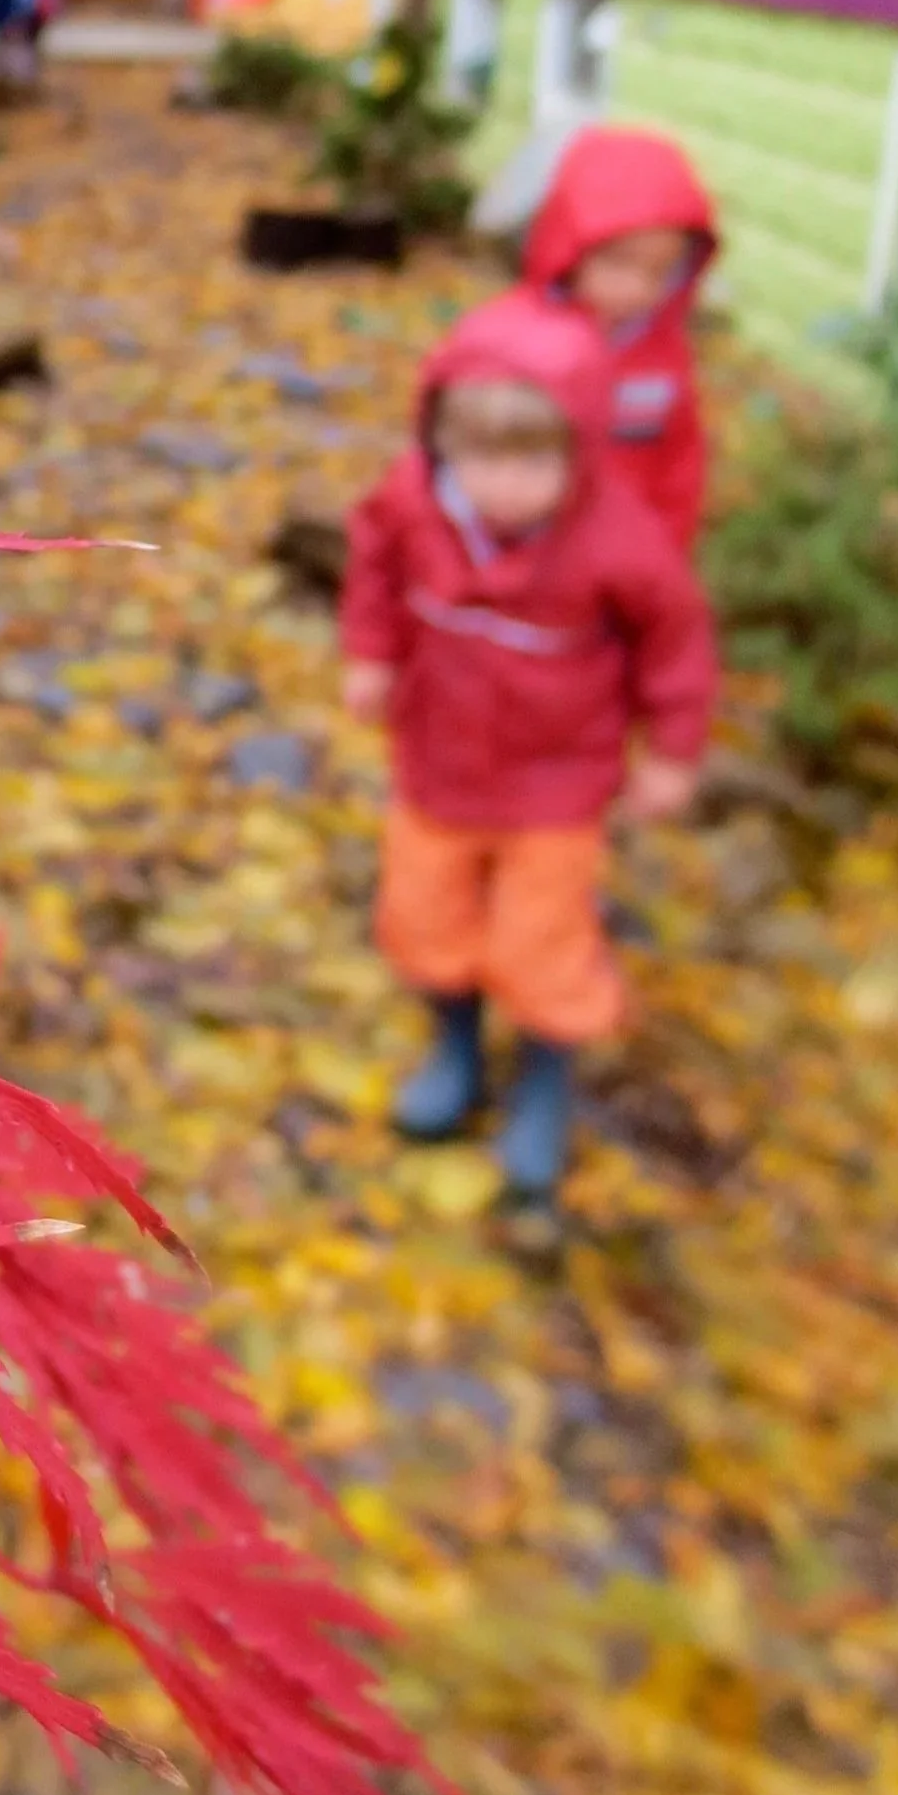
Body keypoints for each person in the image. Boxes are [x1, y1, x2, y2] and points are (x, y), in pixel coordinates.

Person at [339, 295, 716, 1213]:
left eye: (534, 461)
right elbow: (374, 567)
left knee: (541, 937)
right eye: (483, 459)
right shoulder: (413, 501)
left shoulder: (615, 539)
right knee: (426, 910)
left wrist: (670, 750)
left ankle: (545, 1076)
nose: (506, 486)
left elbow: (675, 641)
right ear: (441, 443)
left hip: (558, 780)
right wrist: (371, 653)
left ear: (580, 447)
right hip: (438, 761)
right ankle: (456, 1046)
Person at [519, 126, 720, 554]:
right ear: (570, 248)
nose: (636, 290)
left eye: (658, 272)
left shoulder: (661, 358)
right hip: (530, 566)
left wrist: (661, 559)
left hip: (622, 563)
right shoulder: (518, 342)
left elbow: (679, 469)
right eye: (619, 265)